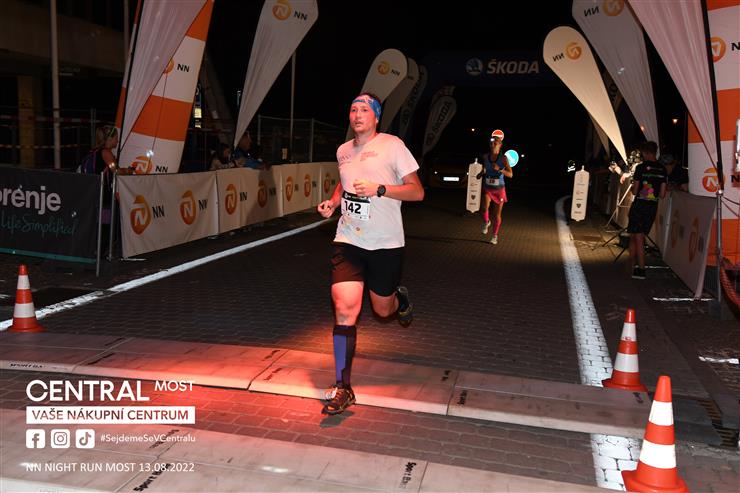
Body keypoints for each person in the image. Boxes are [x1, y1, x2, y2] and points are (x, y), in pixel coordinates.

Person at [316, 92, 424, 415]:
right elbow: (343, 182)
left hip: (385, 244)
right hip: (348, 240)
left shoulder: (393, 145)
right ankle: (343, 386)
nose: (357, 114)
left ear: (376, 117)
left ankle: (399, 299)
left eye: (364, 109)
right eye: (353, 109)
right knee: (344, 309)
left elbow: (417, 192)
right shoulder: (343, 150)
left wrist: (380, 189)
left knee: (382, 309)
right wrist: (333, 202)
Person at [627, 141, 667, 280]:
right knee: (636, 235)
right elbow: (662, 194)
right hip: (652, 206)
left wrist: (633, 186)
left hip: (639, 205)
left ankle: (641, 269)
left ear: (646, 152)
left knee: (638, 237)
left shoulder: (641, 167)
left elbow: (634, 191)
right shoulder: (662, 169)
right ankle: (631, 263)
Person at [477, 130, 513, 244]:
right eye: (491, 143)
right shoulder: (485, 156)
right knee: (484, 208)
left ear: (500, 145)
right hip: (488, 187)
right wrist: (481, 173)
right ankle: (486, 222)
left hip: (499, 190)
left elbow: (510, 174)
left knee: (497, 215)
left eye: (495, 143)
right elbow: (486, 168)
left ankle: (495, 236)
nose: (492, 145)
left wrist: (500, 169)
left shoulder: (503, 159)